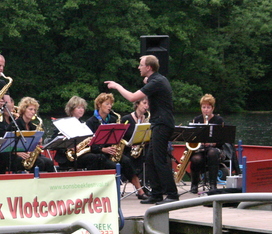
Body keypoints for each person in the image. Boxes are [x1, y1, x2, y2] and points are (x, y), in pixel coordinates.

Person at [105, 55, 178, 204]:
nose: (138, 67)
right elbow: (148, 83)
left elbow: (133, 98)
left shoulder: (156, 81)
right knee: (150, 160)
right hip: (159, 123)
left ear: (148, 67)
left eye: (141, 65)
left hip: (162, 124)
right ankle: (156, 194)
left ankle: (172, 195)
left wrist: (117, 86)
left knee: (159, 160)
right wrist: (146, 81)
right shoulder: (157, 80)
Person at [76, 93, 147, 199]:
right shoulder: (91, 122)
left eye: (111, 104)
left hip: (111, 151)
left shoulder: (113, 119)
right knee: (111, 165)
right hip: (98, 152)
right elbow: (89, 144)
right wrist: (103, 149)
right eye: (107, 104)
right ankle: (110, 193)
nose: (110, 106)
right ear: (99, 105)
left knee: (127, 161)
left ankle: (140, 191)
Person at [5, 97, 55, 173]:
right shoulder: (15, 124)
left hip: (28, 155)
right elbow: (6, 144)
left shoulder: (33, 126)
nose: (33, 112)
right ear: (24, 110)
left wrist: (39, 141)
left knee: (49, 162)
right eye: (30, 109)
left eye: (34, 110)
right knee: (39, 163)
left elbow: (36, 146)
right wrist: (17, 152)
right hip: (15, 155)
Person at [188, 94, 225, 194]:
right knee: (196, 159)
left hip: (215, 148)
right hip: (201, 148)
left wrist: (213, 143)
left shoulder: (218, 120)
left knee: (212, 153)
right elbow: (192, 137)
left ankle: (213, 184)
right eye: (203, 107)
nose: (206, 110)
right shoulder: (197, 120)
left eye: (208, 107)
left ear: (212, 108)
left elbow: (223, 140)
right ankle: (194, 184)